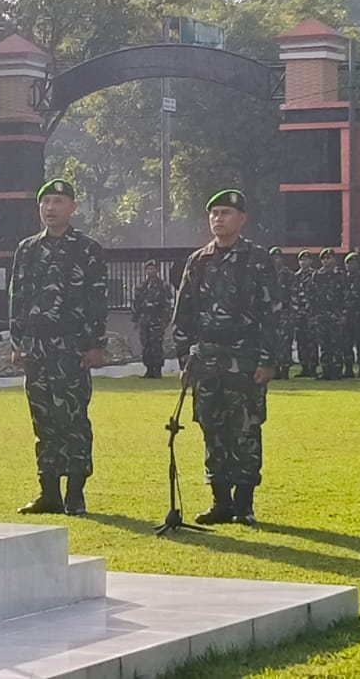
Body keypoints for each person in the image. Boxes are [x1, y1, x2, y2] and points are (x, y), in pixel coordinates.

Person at [173, 189, 280, 526]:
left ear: (242, 219)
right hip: (207, 359)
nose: (219, 219)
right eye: (214, 213)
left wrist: (267, 359)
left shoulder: (257, 259)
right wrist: (184, 360)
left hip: (245, 357)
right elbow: (184, 313)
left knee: (245, 428)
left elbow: (273, 312)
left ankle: (244, 503)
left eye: (226, 213)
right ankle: (220, 501)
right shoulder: (198, 261)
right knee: (212, 427)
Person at [9, 179, 107, 516]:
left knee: (73, 420)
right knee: (44, 421)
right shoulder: (27, 249)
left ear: (73, 207)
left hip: (71, 347)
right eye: (45, 202)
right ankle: (48, 491)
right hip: (36, 348)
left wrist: (96, 344)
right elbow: (17, 297)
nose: (50, 208)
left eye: (58, 201)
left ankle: (75, 493)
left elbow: (97, 299)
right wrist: (17, 341)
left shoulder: (87, 249)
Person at [131, 259, 174, 378]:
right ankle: (149, 369)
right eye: (149, 268)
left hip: (157, 320)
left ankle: (157, 369)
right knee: (146, 344)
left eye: (153, 268)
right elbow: (137, 304)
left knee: (156, 344)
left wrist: (166, 320)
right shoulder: (141, 286)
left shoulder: (163, 286)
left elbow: (167, 304)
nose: (151, 271)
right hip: (145, 319)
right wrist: (135, 319)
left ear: (157, 270)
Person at [312, 248, 349, 381]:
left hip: (336, 314)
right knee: (324, 344)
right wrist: (313, 314)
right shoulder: (317, 275)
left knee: (337, 344)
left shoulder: (341, 275)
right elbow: (312, 296)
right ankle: (325, 370)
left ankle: (337, 371)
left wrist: (344, 314)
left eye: (328, 258)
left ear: (334, 259)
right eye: (323, 259)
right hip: (321, 315)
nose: (326, 261)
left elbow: (346, 296)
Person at [293, 251, 320, 377]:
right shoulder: (295, 277)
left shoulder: (316, 276)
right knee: (301, 341)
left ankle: (313, 367)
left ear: (311, 261)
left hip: (311, 314)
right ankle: (304, 367)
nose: (303, 262)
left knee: (312, 341)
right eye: (301, 260)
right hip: (299, 314)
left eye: (306, 260)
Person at [272, 247, 297, 379]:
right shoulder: (266, 274)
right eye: (274, 257)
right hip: (270, 315)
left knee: (286, 343)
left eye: (278, 257)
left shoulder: (288, 275)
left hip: (285, 313)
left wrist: (293, 313)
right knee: (273, 342)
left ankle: (285, 369)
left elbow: (294, 295)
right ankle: (275, 368)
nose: (276, 260)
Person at [343, 252, 360, 377]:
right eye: (348, 263)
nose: (350, 265)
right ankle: (348, 369)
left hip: (359, 316)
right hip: (346, 316)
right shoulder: (343, 279)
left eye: (352, 263)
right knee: (346, 344)